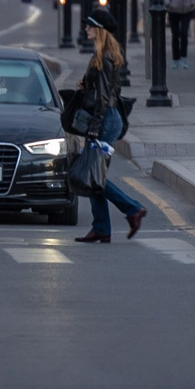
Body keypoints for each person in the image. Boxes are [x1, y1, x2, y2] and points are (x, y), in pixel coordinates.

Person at [69, 20, 145, 244]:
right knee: (94, 175)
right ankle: (101, 227)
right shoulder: (103, 56)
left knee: (93, 175)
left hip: (105, 121)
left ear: (99, 29)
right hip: (106, 119)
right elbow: (109, 89)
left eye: (90, 26)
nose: (85, 29)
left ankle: (133, 209)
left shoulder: (105, 59)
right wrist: (86, 87)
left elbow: (104, 99)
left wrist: (93, 129)